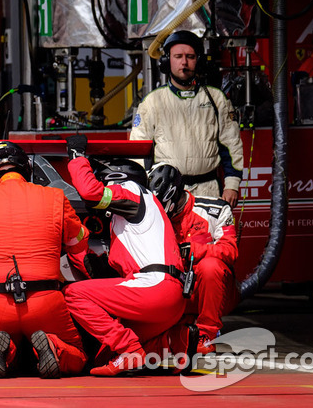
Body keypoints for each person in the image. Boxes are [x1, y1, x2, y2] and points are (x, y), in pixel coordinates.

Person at [0, 141, 89, 379]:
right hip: (44, 299)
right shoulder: (55, 197)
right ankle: (54, 347)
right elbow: (78, 242)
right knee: (77, 356)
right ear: (26, 169)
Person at [63, 134, 190, 376]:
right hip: (171, 301)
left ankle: (131, 349)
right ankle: (174, 341)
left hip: (154, 290)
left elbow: (91, 192)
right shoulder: (145, 209)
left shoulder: (132, 191)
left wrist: (77, 157)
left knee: (74, 295)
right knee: (102, 354)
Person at [130, 30, 243, 207]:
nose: (184, 62)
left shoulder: (216, 98)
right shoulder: (152, 102)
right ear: (167, 61)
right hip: (165, 191)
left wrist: (232, 185)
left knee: (209, 236)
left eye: (190, 56)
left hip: (209, 190)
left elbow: (231, 144)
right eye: (178, 56)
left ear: (198, 60)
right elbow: (138, 150)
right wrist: (143, 189)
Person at [148, 162, 240, 354]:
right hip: (172, 290)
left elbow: (230, 250)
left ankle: (207, 335)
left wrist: (196, 250)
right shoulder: (150, 217)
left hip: (211, 290)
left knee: (210, 266)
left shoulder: (215, 210)